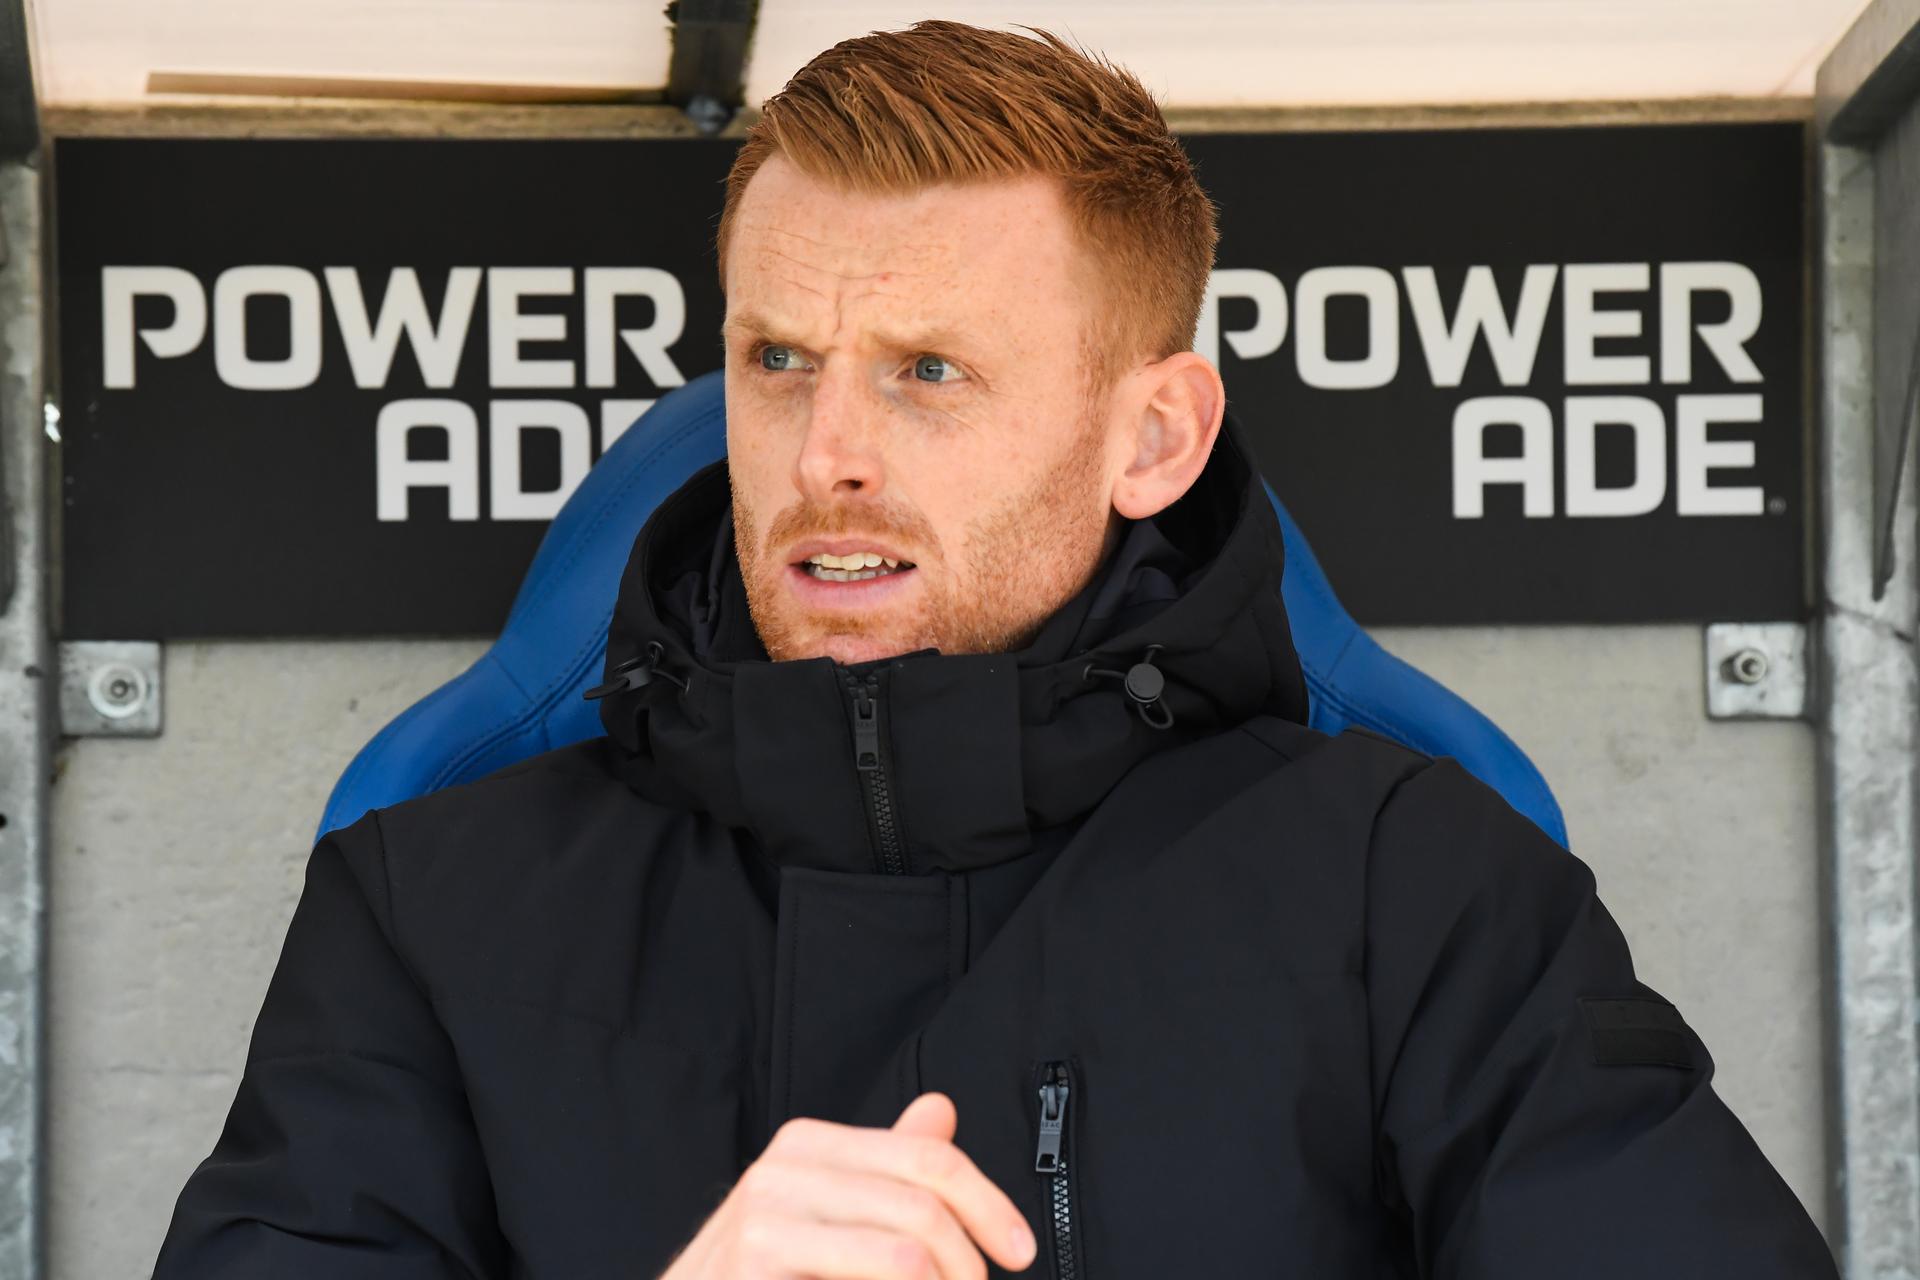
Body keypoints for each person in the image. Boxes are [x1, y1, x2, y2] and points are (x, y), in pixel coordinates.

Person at [153, 19, 1838, 1280]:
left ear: (1154, 439)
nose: (826, 455)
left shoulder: (1421, 891)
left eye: (930, 372)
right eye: (778, 360)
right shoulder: (428, 901)